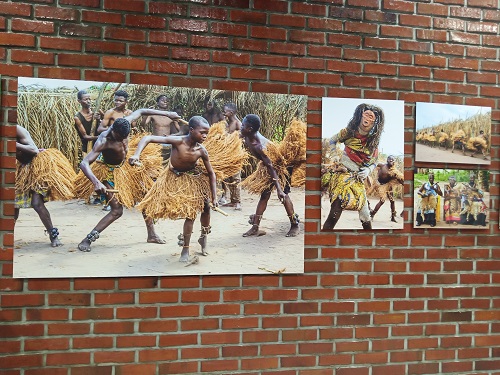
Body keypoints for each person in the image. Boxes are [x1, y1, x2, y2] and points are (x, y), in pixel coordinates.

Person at [75, 108, 180, 252]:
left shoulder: (124, 123)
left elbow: (141, 111)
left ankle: (152, 234)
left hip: (126, 168)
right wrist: (96, 182)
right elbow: (84, 163)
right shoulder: (104, 140)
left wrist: (168, 113)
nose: (122, 139)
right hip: (109, 172)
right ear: (114, 132)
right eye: (120, 137)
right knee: (117, 211)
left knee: (145, 199)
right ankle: (88, 239)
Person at [129, 116, 218, 263]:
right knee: (189, 213)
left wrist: (214, 197)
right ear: (191, 130)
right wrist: (136, 155)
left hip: (193, 179)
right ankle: (186, 249)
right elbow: (148, 138)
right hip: (173, 177)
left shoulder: (202, 150)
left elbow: (211, 173)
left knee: (204, 208)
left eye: (206, 133)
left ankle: (203, 237)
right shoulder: (178, 141)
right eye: (202, 132)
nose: (205, 136)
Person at [322, 103, 385, 230]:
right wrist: (334, 156)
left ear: (375, 123)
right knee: (336, 208)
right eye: (366, 114)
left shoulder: (372, 143)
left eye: (371, 117)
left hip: (358, 179)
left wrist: (367, 170)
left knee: (365, 215)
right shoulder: (349, 132)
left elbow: (374, 162)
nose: (367, 119)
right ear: (361, 116)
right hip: (343, 173)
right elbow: (332, 140)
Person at [240, 114, 300, 238]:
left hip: (281, 167)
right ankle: (255, 227)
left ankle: (295, 225)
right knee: (264, 195)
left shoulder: (260, 146)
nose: (240, 127)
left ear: (249, 129)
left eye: (242, 125)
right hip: (269, 166)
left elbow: (272, 167)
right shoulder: (246, 136)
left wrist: (278, 189)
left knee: (283, 195)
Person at [15, 125, 76, 247]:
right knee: (13, 206)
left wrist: (13, 144)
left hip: (39, 166)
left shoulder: (16, 129)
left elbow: (34, 150)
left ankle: (53, 235)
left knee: (37, 203)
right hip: (23, 168)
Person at [140, 94, 181, 162]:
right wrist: (146, 114)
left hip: (167, 142)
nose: (165, 102)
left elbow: (180, 131)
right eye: (162, 100)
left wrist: (172, 136)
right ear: (157, 102)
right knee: (155, 162)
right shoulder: (152, 114)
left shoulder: (172, 116)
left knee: (166, 162)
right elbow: (142, 125)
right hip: (155, 142)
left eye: (167, 101)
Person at [218, 102, 242, 210]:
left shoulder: (237, 123)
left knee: (236, 178)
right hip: (228, 154)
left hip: (236, 154)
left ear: (231, 112)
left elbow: (242, 138)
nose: (223, 112)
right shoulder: (227, 124)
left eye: (225, 111)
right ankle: (232, 200)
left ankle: (237, 202)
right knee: (227, 177)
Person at [367, 155, 404, 223]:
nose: (391, 161)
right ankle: (372, 215)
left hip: (388, 185)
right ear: (387, 160)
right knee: (382, 201)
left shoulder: (394, 171)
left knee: (392, 201)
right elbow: (373, 164)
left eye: (393, 160)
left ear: (394, 162)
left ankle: (393, 216)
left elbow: (401, 179)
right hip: (379, 184)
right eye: (390, 159)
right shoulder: (382, 165)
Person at [74, 90, 101, 155]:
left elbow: (103, 126)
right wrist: (99, 137)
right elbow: (85, 136)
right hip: (87, 148)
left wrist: (99, 120)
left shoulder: (96, 111)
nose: (88, 101)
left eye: (89, 99)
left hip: (99, 146)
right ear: (79, 101)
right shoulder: (78, 117)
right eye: (86, 99)